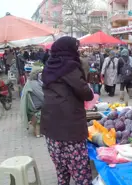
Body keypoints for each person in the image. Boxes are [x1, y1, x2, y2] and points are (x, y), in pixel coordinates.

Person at [41, 36, 94, 185]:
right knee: (80, 171)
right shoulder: (69, 66)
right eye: (75, 48)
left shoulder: (50, 65)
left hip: (50, 126)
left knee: (62, 168)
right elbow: (86, 93)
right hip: (70, 128)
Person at [20, 66, 44, 137]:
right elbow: (43, 97)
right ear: (37, 75)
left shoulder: (31, 82)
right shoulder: (35, 84)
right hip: (36, 106)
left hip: (33, 104)